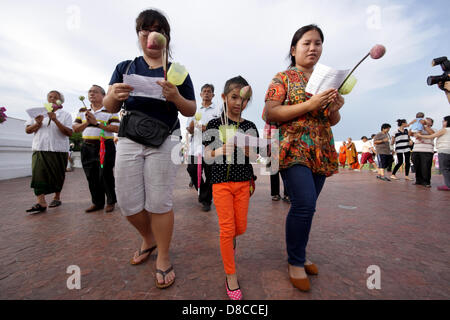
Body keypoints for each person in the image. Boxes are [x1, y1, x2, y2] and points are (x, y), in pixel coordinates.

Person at [103, 9, 196, 289]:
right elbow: (109, 107)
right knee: (128, 201)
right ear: (139, 34)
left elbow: (190, 109)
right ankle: (148, 237)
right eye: (145, 29)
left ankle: (163, 256)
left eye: (157, 29)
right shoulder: (126, 67)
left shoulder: (177, 71)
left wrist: (175, 95)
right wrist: (114, 96)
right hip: (131, 137)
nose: (150, 34)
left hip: (166, 138)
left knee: (159, 201)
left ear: (166, 37)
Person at [264, 25, 344, 292]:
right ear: (293, 49)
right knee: (304, 204)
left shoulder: (329, 81)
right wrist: (309, 105)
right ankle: (295, 261)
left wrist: (334, 107)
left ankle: (299, 251)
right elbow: (270, 113)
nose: (313, 48)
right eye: (307, 43)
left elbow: (332, 120)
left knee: (308, 207)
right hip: (294, 147)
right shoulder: (283, 78)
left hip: (321, 149)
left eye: (318, 43)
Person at [203, 76, 259, 300]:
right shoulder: (214, 125)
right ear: (225, 97)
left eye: (244, 99)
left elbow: (257, 156)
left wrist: (250, 152)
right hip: (220, 183)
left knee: (240, 228)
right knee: (227, 229)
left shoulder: (249, 126)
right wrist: (218, 151)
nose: (238, 102)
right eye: (234, 97)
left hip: (243, 182)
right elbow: (206, 155)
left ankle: (230, 243)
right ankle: (231, 274)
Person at [73, 85, 120, 213]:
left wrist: (97, 123)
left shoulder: (111, 110)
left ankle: (110, 201)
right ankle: (97, 202)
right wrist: (87, 123)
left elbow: (116, 128)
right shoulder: (83, 110)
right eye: (90, 92)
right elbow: (75, 128)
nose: (91, 94)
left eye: (95, 92)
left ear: (103, 96)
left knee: (105, 174)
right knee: (91, 175)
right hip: (87, 146)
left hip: (104, 146)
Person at [25, 90, 73, 213]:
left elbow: (69, 133)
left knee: (57, 175)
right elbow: (28, 130)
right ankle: (41, 202)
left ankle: (57, 197)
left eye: (55, 97)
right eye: (50, 97)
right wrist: (37, 123)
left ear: (60, 101)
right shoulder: (38, 113)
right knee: (38, 174)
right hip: (40, 148)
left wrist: (56, 120)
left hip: (58, 149)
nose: (52, 99)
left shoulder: (65, 115)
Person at [186, 84, 221, 211]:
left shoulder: (218, 110)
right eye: (204, 91)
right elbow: (189, 130)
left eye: (209, 91)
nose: (206, 93)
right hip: (196, 147)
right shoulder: (194, 110)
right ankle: (204, 194)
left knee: (211, 175)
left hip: (212, 148)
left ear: (213, 95)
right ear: (200, 94)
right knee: (192, 169)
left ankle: (206, 200)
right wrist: (191, 127)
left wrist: (208, 128)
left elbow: (221, 128)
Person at [416, 115, 450, 191]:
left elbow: (432, 136)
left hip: (444, 151)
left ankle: (448, 185)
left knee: (445, 169)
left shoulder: (445, 130)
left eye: (444, 121)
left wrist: (420, 135)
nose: (442, 122)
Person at [411, 118, 435, 188]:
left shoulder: (434, 129)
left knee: (426, 167)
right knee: (417, 166)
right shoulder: (418, 129)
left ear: (431, 123)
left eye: (428, 120)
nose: (425, 121)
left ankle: (426, 182)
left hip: (427, 150)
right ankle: (418, 180)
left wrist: (424, 125)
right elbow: (410, 134)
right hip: (416, 149)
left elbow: (432, 134)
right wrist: (413, 125)